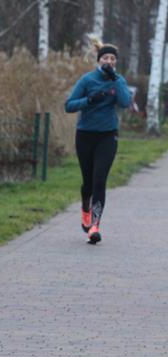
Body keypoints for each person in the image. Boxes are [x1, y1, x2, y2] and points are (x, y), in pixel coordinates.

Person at [64, 38, 132, 244]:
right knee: (88, 183)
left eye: (112, 59)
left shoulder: (118, 80)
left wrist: (116, 80)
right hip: (85, 135)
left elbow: (125, 102)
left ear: (115, 62)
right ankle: (85, 205)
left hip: (107, 135)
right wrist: (88, 100)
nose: (109, 61)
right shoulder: (87, 80)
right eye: (105, 58)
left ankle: (94, 226)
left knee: (100, 180)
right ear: (98, 60)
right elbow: (69, 105)